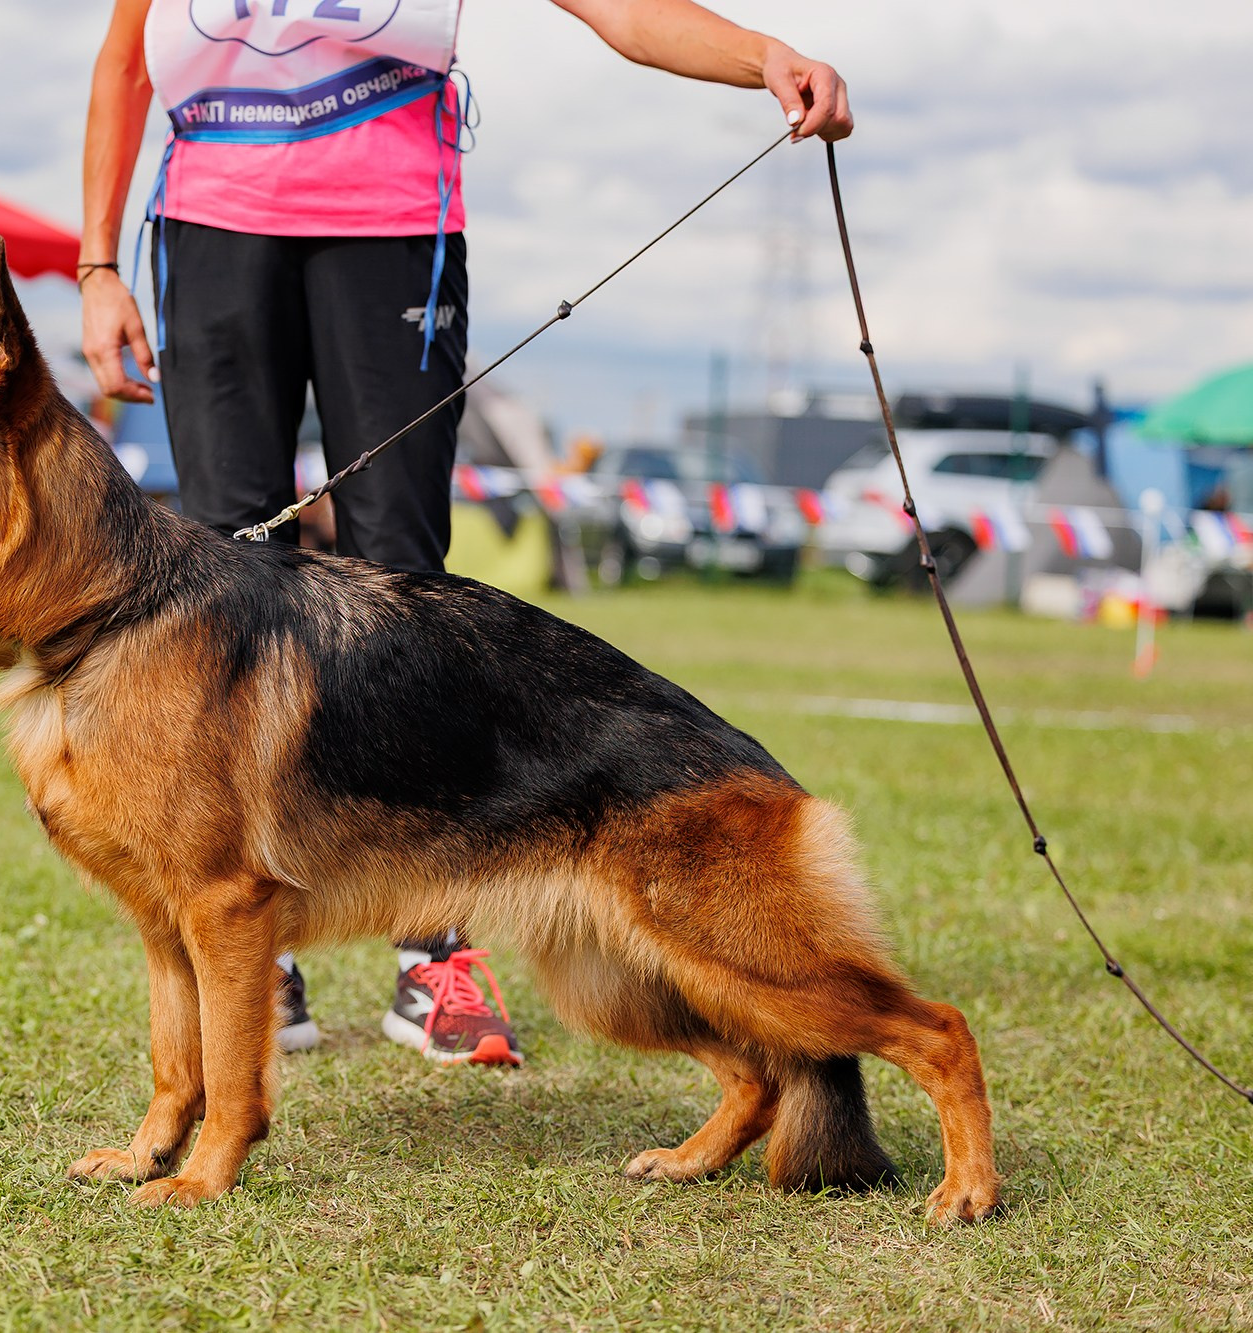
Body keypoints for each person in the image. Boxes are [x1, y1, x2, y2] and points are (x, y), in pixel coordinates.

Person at [78, 0, 852, 1067]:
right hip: (211, 224)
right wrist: (96, 264)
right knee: (221, 578)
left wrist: (762, 55)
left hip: (389, 222)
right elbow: (124, 62)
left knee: (402, 583)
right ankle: (261, 956)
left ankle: (432, 949)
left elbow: (622, 12)